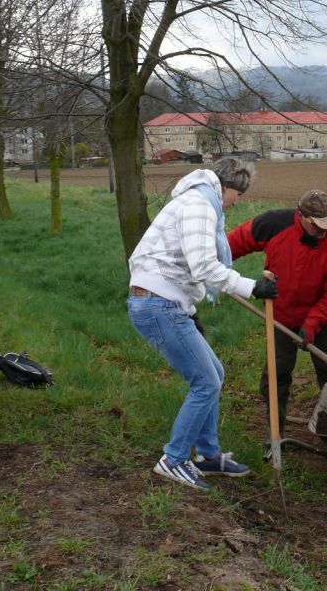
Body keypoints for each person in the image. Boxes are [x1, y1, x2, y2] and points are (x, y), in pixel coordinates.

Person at [128, 158, 279, 491]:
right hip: (157, 303)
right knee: (206, 381)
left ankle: (209, 455)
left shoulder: (198, 201)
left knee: (215, 374)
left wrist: (189, 306)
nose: (235, 204)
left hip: (165, 300)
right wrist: (252, 287)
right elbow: (204, 267)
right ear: (227, 187)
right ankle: (174, 459)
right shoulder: (199, 205)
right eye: (237, 196)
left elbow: (180, 265)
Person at [227, 189, 327, 447]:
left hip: (323, 318)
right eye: (319, 226)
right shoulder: (274, 224)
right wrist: (214, 269)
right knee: (276, 375)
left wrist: (312, 324)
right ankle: (275, 429)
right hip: (280, 316)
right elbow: (232, 244)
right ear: (303, 217)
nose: (325, 231)